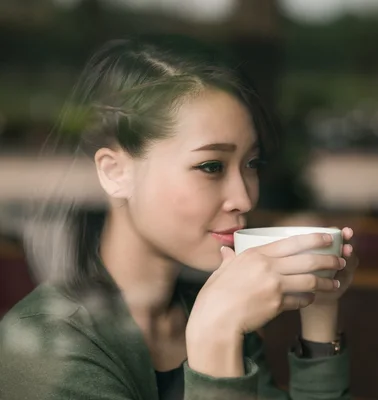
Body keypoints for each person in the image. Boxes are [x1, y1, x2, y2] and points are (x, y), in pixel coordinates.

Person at [0, 35, 358, 400]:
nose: (244, 197)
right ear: (115, 173)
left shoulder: (206, 303)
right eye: (211, 166)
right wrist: (214, 341)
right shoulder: (46, 347)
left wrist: (320, 307)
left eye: (251, 164)